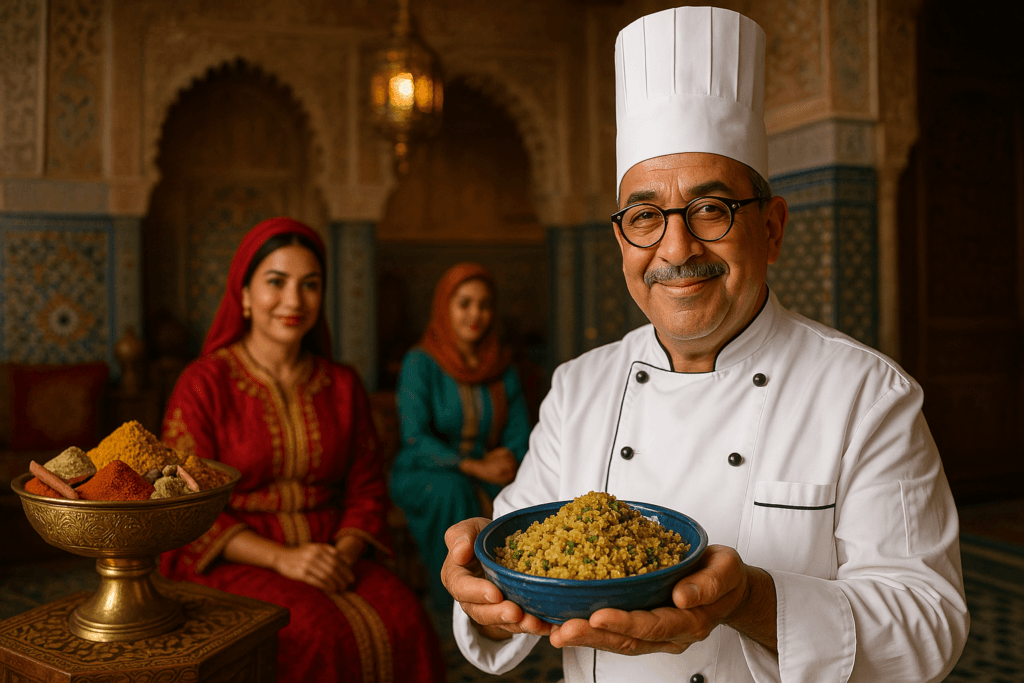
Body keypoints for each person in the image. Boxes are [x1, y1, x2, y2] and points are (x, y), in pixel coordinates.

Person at [441, 7, 969, 683]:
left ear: (772, 228)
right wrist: (483, 589)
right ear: (621, 240)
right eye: (643, 217)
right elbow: (517, 558)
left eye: (712, 209)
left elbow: (929, 625)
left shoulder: (866, 392)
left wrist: (752, 599)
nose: (676, 248)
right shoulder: (579, 386)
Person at [159, 217, 446, 683]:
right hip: (235, 558)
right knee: (315, 631)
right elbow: (184, 504)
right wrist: (282, 559)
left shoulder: (342, 384)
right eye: (277, 282)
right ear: (245, 295)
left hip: (334, 550)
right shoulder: (204, 384)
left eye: (310, 285)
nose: (294, 300)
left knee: (405, 617)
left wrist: (341, 554)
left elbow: (367, 489)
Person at [390, 263, 531, 613]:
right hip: (426, 470)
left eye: (484, 305)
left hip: (487, 469)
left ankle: (517, 603)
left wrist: (509, 460)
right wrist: (473, 467)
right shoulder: (420, 363)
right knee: (451, 491)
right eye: (464, 303)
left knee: (526, 496)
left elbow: (521, 433)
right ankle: (456, 605)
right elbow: (415, 437)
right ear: (444, 307)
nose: (476, 314)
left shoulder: (502, 366)